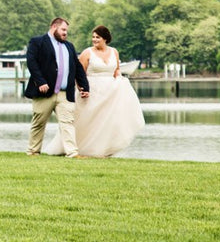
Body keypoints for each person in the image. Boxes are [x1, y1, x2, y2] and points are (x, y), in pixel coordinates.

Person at [44, 25, 145, 157]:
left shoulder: (114, 52)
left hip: (110, 93)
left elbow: (116, 70)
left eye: (97, 37)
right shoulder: (87, 53)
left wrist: (119, 79)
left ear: (105, 39)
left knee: (106, 122)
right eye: (93, 37)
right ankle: (73, 148)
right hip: (91, 92)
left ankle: (102, 150)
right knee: (85, 121)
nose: (94, 40)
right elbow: (78, 74)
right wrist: (82, 88)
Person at [24, 17, 89, 157]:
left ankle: (72, 153)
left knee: (68, 123)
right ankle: (33, 151)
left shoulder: (69, 46)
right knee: (39, 123)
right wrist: (40, 81)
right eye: (63, 30)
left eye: (66, 30)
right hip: (44, 92)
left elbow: (77, 67)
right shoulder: (37, 42)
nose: (65, 33)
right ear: (54, 27)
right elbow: (31, 62)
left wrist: (84, 86)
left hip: (65, 94)